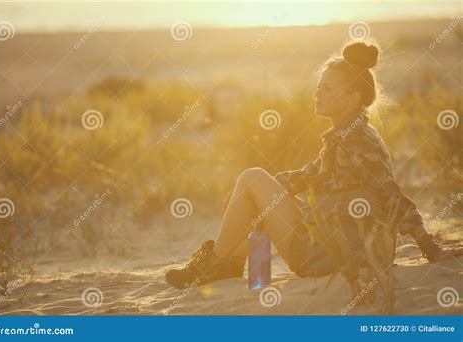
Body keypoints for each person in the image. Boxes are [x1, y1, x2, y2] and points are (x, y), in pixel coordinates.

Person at [165, 42, 458, 290]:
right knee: (261, 189)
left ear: (353, 97)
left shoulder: (356, 143)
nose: (317, 94)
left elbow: (390, 195)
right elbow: (309, 175)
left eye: (328, 88)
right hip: (332, 243)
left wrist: (429, 247)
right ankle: (252, 278)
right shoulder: (349, 135)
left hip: (329, 254)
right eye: (319, 87)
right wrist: (254, 193)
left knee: (253, 177)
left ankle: (223, 266)